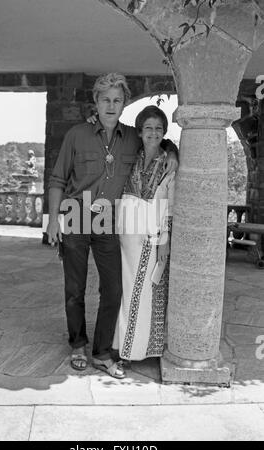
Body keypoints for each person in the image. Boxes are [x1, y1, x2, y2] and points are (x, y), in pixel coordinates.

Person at [47, 73, 178, 379]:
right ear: (96, 101)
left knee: (114, 289)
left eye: (117, 100)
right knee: (74, 289)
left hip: (109, 222)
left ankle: (102, 352)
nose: (111, 105)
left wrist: (173, 151)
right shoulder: (76, 135)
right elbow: (57, 180)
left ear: (123, 104)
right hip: (76, 216)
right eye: (105, 99)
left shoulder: (132, 136)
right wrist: (53, 220)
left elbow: (156, 138)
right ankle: (78, 344)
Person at [113, 105, 176, 361]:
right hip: (124, 234)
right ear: (139, 131)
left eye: (158, 128)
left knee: (141, 292)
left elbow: (168, 206)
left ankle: (132, 351)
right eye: (148, 128)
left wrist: (164, 241)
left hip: (149, 235)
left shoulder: (168, 163)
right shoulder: (131, 154)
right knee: (123, 292)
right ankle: (120, 343)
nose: (153, 133)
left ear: (164, 132)